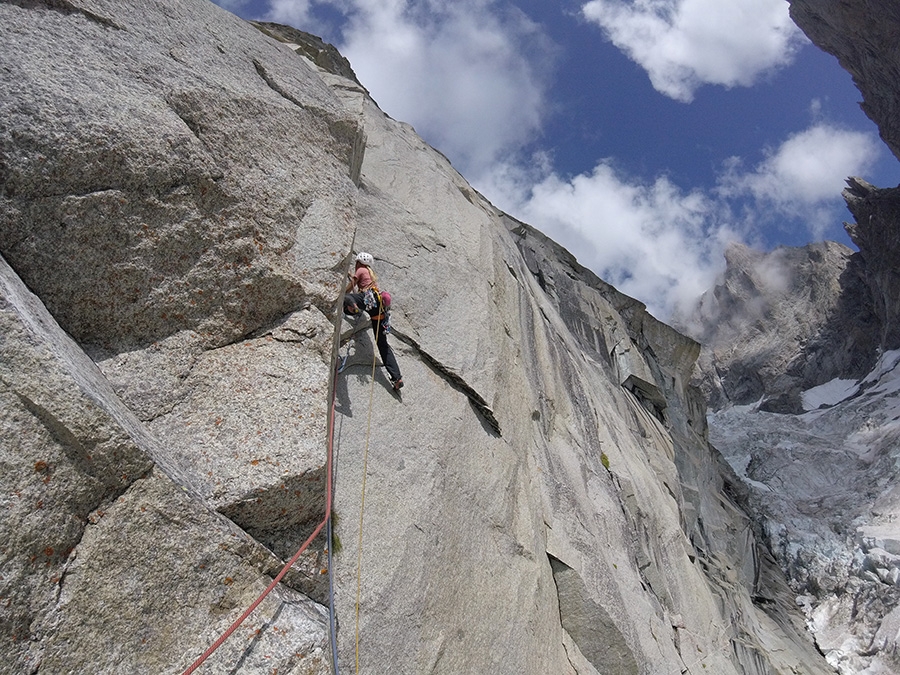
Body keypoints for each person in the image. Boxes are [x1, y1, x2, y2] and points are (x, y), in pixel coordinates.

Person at [343, 252, 403, 391]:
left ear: (359, 261)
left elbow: (350, 287)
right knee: (382, 345)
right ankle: (397, 378)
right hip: (379, 310)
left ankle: (355, 307)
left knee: (346, 298)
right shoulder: (370, 273)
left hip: (368, 299)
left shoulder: (361, 269)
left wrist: (344, 292)